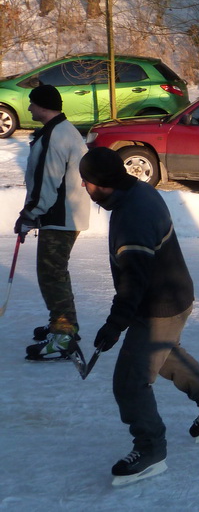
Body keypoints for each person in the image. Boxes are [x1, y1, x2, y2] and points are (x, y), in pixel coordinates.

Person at [79, 147, 199, 486]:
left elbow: (133, 282)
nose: (83, 186)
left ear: (102, 183)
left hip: (158, 306)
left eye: (86, 181)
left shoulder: (132, 218)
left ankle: (150, 450)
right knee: (163, 355)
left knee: (130, 381)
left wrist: (114, 324)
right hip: (173, 295)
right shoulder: (137, 190)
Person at [17, 84, 91, 361]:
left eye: (32, 104)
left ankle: (63, 336)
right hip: (62, 214)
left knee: (51, 275)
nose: (29, 108)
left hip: (59, 216)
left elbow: (48, 182)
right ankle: (64, 326)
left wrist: (30, 214)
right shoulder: (60, 130)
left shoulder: (56, 136)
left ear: (43, 106)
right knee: (56, 273)